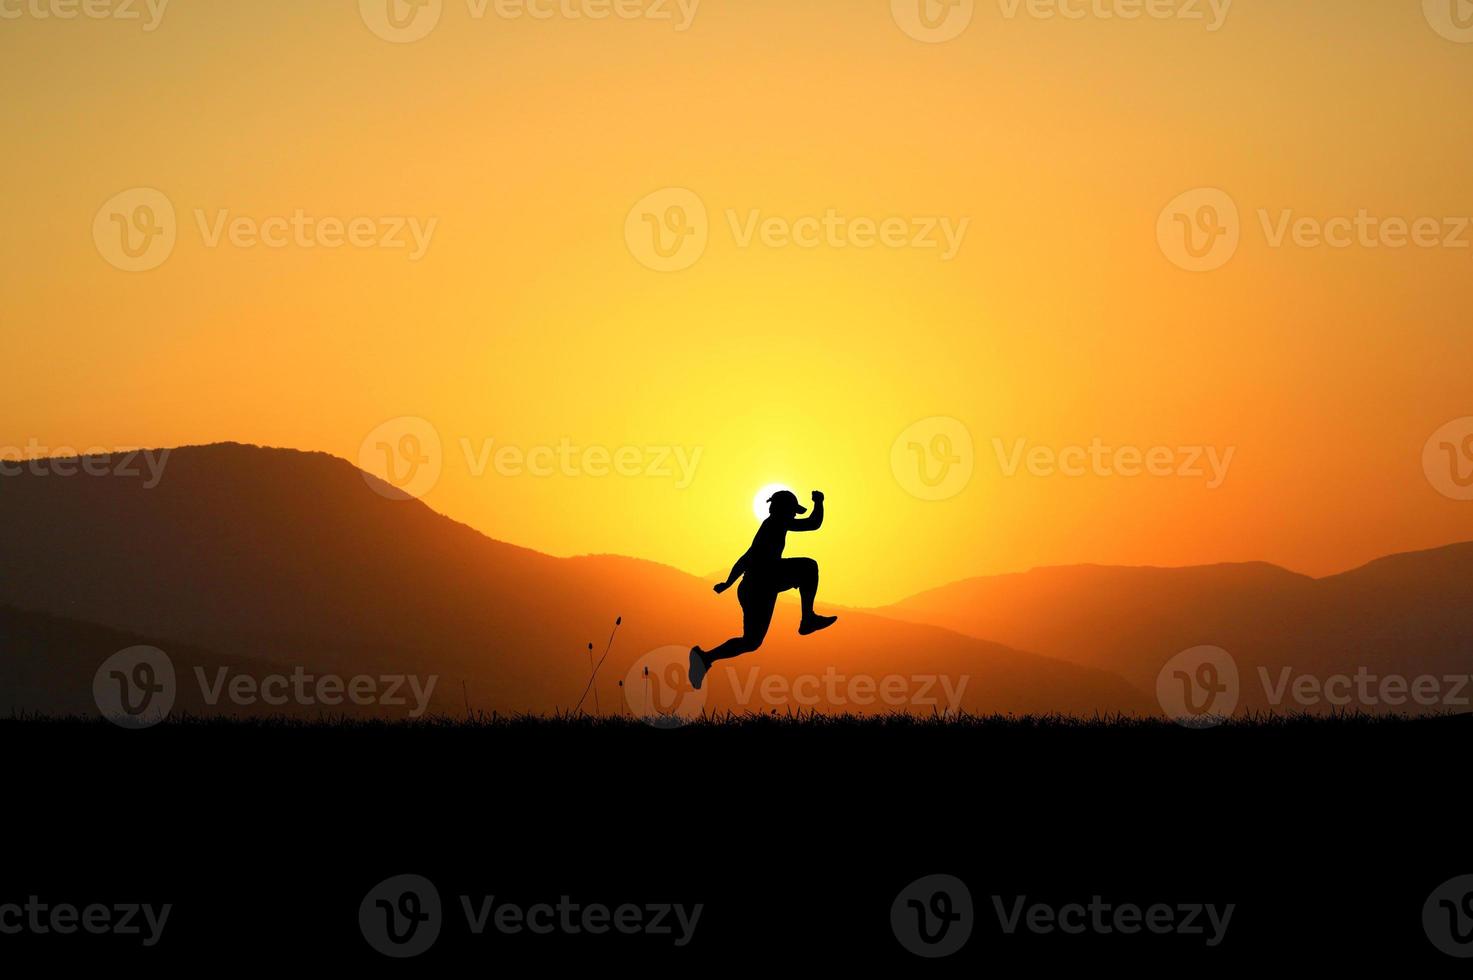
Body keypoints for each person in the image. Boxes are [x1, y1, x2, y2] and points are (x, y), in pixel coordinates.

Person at [689, 489, 837, 690]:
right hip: (762, 582)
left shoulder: (770, 526)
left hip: (756, 587)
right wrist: (819, 501)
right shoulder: (776, 522)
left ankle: (705, 657)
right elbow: (813, 523)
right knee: (809, 567)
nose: (794, 515)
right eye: (792, 511)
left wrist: (728, 583)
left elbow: (745, 558)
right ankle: (808, 618)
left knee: (751, 642)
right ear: (782, 509)